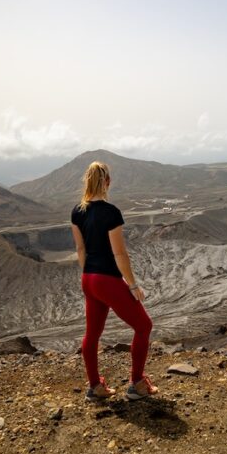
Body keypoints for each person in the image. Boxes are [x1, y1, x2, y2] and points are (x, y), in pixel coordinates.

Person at [70, 161, 157, 401]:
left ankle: (95, 387)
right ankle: (137, 384)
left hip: (88, 278)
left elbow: (80, 249)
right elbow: (120, 254)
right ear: (107, 182)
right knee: (144, 326)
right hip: (107, 280)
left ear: (86, 181)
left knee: (92, 334)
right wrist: (132, 285)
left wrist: (89, 275)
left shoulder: (77, 211)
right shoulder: (111, 213)